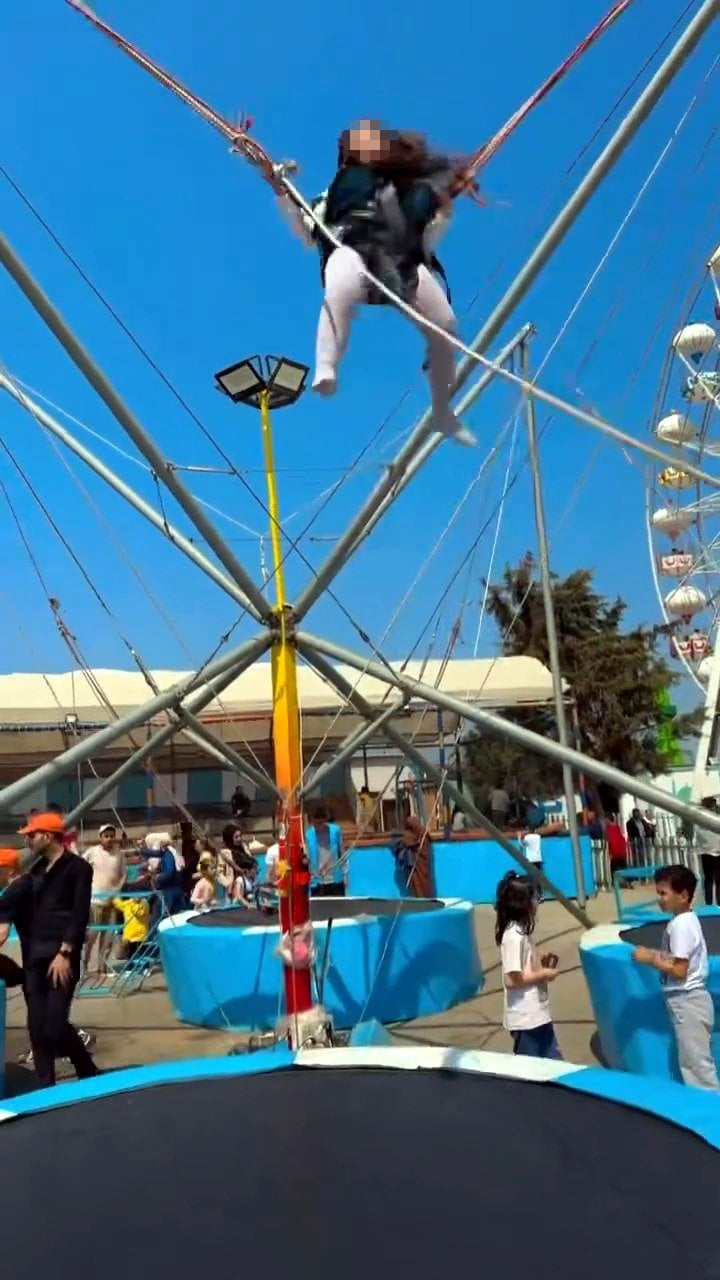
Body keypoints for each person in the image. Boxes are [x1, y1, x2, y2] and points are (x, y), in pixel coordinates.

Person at [286, 120, 477, 447]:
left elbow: (426, 236)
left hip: (402, 266)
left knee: (446, 325)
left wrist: (446, 206)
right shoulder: (333, 193)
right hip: (353, 254)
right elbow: (307, 229)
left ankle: (443, 411)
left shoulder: (408, 189)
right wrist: (282, 189)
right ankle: (327, 364)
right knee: (338, 285)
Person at [0, 811, 98, 1088]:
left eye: (32, 835)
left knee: (53, 1027)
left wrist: (65, 953)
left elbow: (79, 913)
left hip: (60, 957)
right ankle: (46, 1087)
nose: (29, 840)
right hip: (34, 959)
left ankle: (87, 1069)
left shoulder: (78, 868)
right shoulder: (36, 873)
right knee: (36, 1029)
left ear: (48, 835)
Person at [633, 864, 719, 1091]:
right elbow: (677, 959)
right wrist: (654, 954)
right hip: (692, 1001)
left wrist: (650, 959)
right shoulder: (687, 920)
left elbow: (680, 971)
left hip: (687, 1001)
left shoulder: (681, 926)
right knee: (695, 1063)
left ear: (683, 895)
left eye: (664, 893)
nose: (659, 899)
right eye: (658, 893)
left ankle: (710, 1115)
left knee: (697, 1068)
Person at [495, 871, 562, 1059]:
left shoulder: (522, 931)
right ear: (522, 903)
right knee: (530, 1068)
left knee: (553, 1062)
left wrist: (536, 956)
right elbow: (511, 979)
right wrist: (543, 975)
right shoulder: (513, 936)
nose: (537, 903)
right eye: (535, 898)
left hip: (538, 1014)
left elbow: (522, 964)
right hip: (525, 1019)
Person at [83, 823, 127, 973]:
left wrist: (117, 889)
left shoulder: (119, 853)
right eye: (106, 836)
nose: (109, 839)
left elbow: (123, 874)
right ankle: (85, 966)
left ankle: (102, 967)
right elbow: (80, 869)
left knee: (108, 935)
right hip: (96, 900)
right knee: (92, 935)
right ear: (100, 837)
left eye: (111, 836)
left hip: (113, 900)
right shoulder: (92, 852)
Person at [305, 807, 345, 897]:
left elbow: (342, 853)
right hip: (317, 879)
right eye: (316, 821)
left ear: (326, 819)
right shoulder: (309, 834)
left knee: (337, 908)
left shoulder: (335, 831)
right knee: (319, 909)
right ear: (312, 821)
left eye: (321, 821)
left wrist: (345, 874)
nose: (318, 824)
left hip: (335, 877)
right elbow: (307, 855)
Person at [391, 816, 435, 898]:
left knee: (420, 885)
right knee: (419, 885)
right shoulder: (421, 836)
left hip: (419, 867)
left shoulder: (420, 837)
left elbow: (404, 841)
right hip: (417, 867)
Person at [694, 797, 720, 906]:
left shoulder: (699, 820)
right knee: (714, 880)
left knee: (710, 880)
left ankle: (710, 904)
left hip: (707, 851)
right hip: (713, 852)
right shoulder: (713, 819)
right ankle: (714, 904)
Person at [111, 891, 150, 964]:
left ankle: (145, 968)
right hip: (130, 934)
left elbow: (139, 913)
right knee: (131, 953)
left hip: (140, 934)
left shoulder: (143, 904)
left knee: (142, 953)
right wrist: (114, 897)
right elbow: (120, 905)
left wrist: (133, 904)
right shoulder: (129, 903)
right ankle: (130, 968)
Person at [520, 826, 543, 898]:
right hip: (538, 859)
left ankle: (533, 894)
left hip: (531, 860)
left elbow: (523, 844)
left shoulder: (527, 837)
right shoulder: (538, 836)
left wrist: (519, 837)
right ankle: (540, 894)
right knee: (538, 877)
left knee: (531, 877)